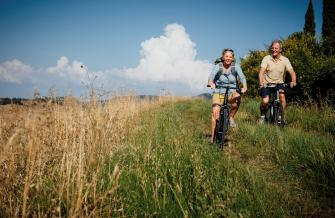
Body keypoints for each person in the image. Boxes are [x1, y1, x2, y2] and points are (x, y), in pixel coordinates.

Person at [207, 48, 247, 142]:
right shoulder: (218, 66)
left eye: (230, 56)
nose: (228, 58)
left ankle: (231, 117)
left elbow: (242, 77)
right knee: (215, 112)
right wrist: (211, 83)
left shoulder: (235, 67)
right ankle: (212, 137)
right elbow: (211, 76)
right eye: (226, 56)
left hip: (231, 91)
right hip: (218, 91)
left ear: (232, 58)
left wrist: (244, 87)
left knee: (237, 97)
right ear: (223, 57)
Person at [258, 40, 297, 123]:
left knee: (282, 97)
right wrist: (261, 83)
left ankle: (281, 116)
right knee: (265, 101)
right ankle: (262, 116)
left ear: (280, 50)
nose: (274, 50)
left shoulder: (285, 60)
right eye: (272, 48)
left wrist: (293, 81)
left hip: (279, 83)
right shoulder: (267, 58)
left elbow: (292, 72)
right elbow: (261, 72)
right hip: (267, 84)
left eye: (276, 48)